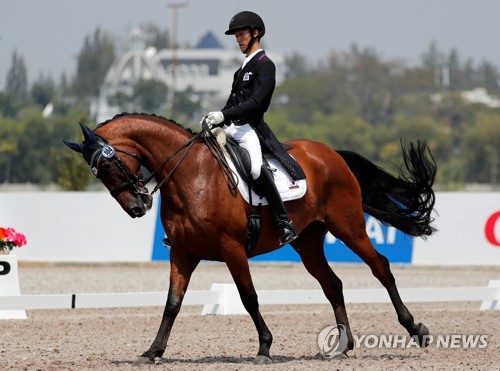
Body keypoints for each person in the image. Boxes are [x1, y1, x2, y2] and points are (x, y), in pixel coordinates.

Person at [204, 11, 305, 245]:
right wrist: (215, 118)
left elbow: (258, 103)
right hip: (231, 128)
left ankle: (284, 223)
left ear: (255, 33)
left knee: (256, 170)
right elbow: (232, 103)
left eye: (241, 34)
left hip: (251, 129)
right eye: (236, 36)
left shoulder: (265, 65)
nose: (238, 39)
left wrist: (224, 114)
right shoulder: (240, 71)